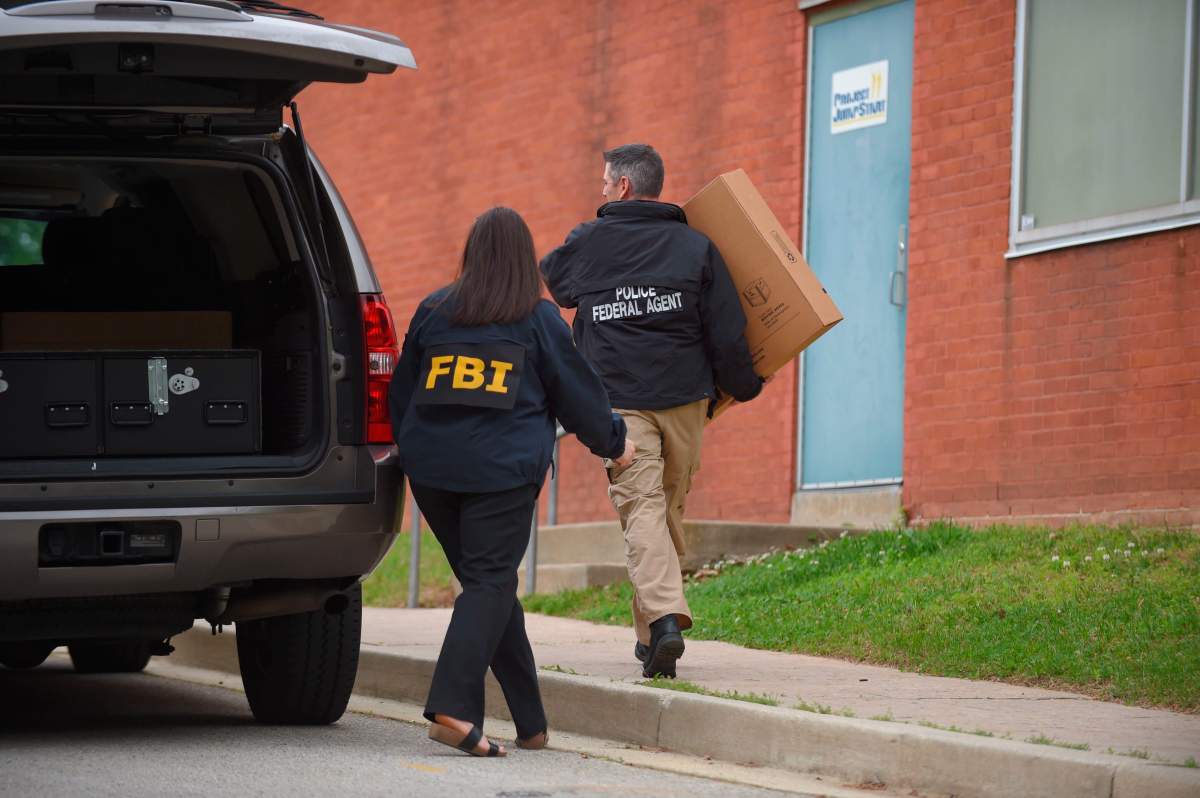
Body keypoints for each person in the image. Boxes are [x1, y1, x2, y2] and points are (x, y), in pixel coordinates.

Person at [389, 206, 635, 758]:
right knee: (489, 584)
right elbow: (578, 394)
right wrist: (615, 444)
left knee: (490, 586)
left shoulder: (435, 310)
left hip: (433, 474)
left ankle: (531, 723)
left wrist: (414, 448)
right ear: (524, 258)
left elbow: (402, 394)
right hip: (500, 475)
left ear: (472, 253)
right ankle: (453, 707)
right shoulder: (537, 318)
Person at [540, 144, 764, 679]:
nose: (600, 193)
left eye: (602, 185)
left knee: (650, 512)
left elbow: (557, 279)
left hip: (619, 401)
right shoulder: (696, 248)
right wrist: (745, 385)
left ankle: (657, 627)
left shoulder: (589, 242)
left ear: (621, 187)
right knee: (657, 509)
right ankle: (659, 632)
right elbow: (726, 331)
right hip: (686, 401)